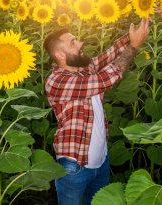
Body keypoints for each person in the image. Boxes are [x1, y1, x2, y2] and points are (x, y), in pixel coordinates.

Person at [43, 18, 150, 205]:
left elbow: (112, 51)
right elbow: (105, 80)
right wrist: (133, 47)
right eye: (73, 42)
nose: (81, 43)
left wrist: (145, 19)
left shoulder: (84, 68)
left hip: (101, 161)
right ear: (60, 54)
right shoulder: (57, 81)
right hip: (74, 166)